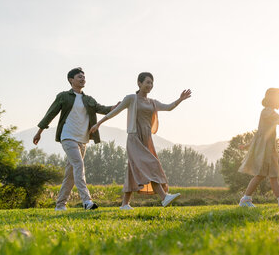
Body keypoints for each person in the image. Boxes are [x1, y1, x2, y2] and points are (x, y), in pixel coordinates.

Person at [89, 72, 191, 210]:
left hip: (147, 138)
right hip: (134, 138)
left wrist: (180, 99)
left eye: (152, 83)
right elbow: (115, 111)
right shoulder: (131, 98)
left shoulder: (152, 102)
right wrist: (98, 123)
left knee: (133, 169)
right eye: (147, 82)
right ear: (139, 83)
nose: (150, 85)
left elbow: (168, 107)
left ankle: (125, 204)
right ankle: (164, 197)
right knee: (151, 163)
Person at [34, 67, 118, 211]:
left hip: (83, 139)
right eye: (79, 77)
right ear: (71, 80)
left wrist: (116, 106)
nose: (82, 79)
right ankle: (87, 201)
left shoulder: (88, 99)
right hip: (68, 137)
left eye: (83, 77)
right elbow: (51, 113)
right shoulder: (63, 96)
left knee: (71, 174)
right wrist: (39, 131)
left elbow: (102, 108)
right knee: (79, 165)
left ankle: (60, 205)